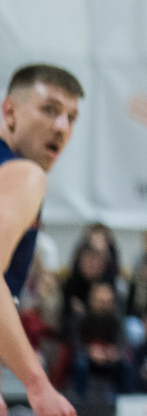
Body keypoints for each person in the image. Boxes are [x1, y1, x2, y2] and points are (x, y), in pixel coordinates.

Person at [0, 65, 82, 416]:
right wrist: (37, 384)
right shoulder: (24, 173)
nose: (62, 127)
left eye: (71, 117)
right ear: (10, 111)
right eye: (49, 110)